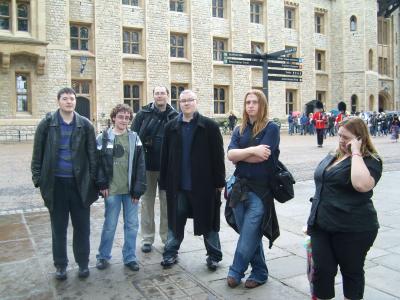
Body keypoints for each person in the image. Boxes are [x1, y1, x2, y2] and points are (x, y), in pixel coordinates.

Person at [307, 117, 383, 300]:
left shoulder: (371, 160)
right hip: (321, 225)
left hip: (353, 228)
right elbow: (322, 184)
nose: (341, 140)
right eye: (339, 135)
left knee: (351, 272)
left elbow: (361, 185)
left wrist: (356, 152)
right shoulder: (335, 155)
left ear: (359, 138)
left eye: (346, 137)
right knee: (322, 271)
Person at [31, 87, 98, 280]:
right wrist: (38, 180)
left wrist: (92, 182)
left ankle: (83, 263)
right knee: (58, 228)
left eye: (72, 99)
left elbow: (93, 157)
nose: (69, 102)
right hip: (55, 184)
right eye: (65, 98)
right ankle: (60, 265)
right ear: (58, 101)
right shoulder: (46, 124)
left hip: (79, 185)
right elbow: (37, 156)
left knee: (82, 227)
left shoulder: (85, 125)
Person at [159, 89, 225, 270]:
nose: (186, 103)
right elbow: (164, 156)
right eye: (183, 101)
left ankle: (214, 255)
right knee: (175, 221)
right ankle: (170, 253)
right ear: (179, 103)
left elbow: (218, 156)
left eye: (190, 100)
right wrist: (163, 181)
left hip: (204, 185)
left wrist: (220, 181)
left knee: (209, 221)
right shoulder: (171, 126)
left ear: (196, 102)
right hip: (178, 185)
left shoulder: (209, 126)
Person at [225, 89, 280, 289]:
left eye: (255, 102)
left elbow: (262, 156)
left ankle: (235, 271)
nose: (250, 105)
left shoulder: (271, 128)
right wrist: (251, 150)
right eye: (248, 102)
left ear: (262, 105)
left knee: (250, 231)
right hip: (239, 190)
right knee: (249, 233)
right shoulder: (240, 129)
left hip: (260, 191)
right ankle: (260, 271)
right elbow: (230, 155)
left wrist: (242, 154)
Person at [95, 104, 146, 272]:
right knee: (110, 225)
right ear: (114, 118)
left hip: (130, 191)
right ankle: (103, 256)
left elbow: (140, 165)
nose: (123, 120)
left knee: (132, 225)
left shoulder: (135, 138)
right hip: (112, 190)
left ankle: (130, 257)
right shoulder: (103, 138)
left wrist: (138, 189)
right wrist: (102, 183)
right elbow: (98, 164)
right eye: (120, 117)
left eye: (127, 117)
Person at [131, 86, 178, 253]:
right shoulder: (143, 115)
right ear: (153, 96)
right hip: (147, 166)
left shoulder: (175, 115)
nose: (160, 96)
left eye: (162, 93)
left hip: (167, 168)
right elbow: (134, 138)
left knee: (167, 203)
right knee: (147, 202)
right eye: (157, 93)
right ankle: (147, 239)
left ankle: (166, 238)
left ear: (167, 95)